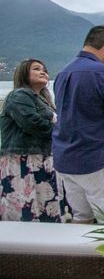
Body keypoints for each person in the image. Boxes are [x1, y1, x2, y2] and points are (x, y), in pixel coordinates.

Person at [52, 26, 104, 224]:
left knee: (82, 218)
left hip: (65, 158)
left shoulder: (63, 73)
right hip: (96, 157)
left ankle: (81, 255)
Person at [0, 59, 61, 222]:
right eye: (36, 69)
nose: (43, 72)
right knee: (23, 209)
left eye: (44, 69)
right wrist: (60, 131)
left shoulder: (42, 100)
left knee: (42, 207)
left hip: (40, 159)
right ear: (24, 73)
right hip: (22, 161)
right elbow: (32, 123)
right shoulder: (20, 95)